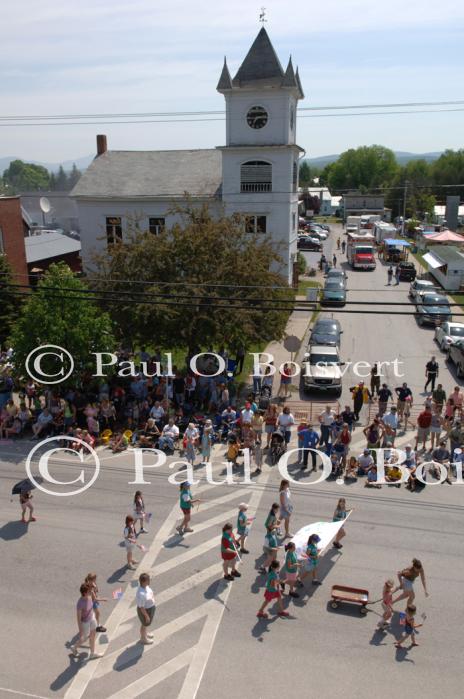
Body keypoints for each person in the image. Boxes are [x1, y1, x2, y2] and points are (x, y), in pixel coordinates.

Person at [71, 583, 103, 659]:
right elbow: (78, 618)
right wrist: (80, 630)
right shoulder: (80, 603)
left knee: (93, 635)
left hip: (92, 617)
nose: (91, 591)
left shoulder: (89, 595)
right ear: (85, 593)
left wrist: (94, 587)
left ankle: (92, 653)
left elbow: (94, 598)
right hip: (85, 622)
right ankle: (74, 647)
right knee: (84, 638)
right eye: (89, 591)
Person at [136, 573, 156, 645]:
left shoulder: (145, 587)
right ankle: (143, 639)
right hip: (146, 610)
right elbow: (141, 607)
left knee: (145, 624)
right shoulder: (142, 594)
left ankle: (145, 634)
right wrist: (146, 616)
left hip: (149, 608)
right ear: (144, 582)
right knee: (144, 624)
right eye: (148, 580)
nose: (149, 581)